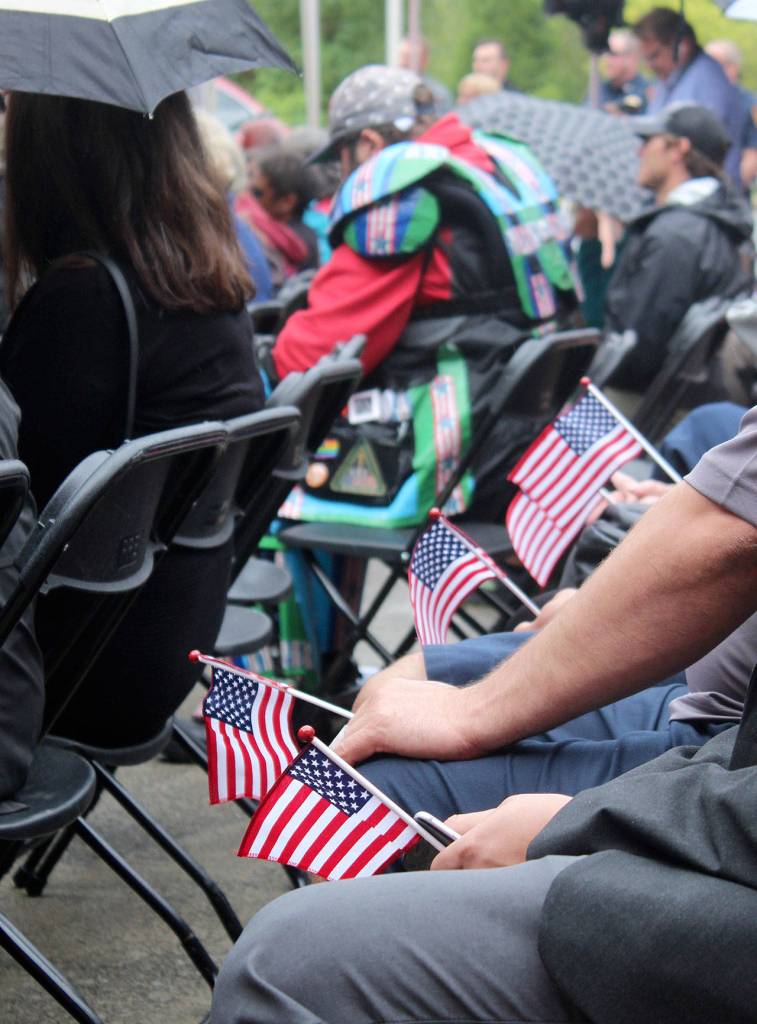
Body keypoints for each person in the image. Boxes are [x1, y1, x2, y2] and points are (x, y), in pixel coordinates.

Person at [211, 406, 757, 1024]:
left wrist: (585, 821)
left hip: (727, 805)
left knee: (288, 960)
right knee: (388, 757)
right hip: (719, 735)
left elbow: (726, 538)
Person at [0, 91, 264, 748]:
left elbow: (16, 512)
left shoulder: (84, 299)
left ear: (53, 150)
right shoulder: (208, 282)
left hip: (74, 669)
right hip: (169, 636)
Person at [270, 64, 577, 523]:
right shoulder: (505, 164)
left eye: (343, 156)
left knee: (265, 446)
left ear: (370, 145)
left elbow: (315, 355)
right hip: (535, 441)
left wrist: (264, 353)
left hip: (448, 459)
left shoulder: (405, 187)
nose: (342, 173)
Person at [604, 103, 753, 391]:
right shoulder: (721, 222)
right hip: (683, 397)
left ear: (678, 150)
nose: (640, 152)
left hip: (644, 403)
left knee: (556, 426)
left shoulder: (675, 236)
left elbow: (634, 354)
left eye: (649, 141)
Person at [633, 7, 743, 183]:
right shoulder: (669, 80)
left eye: (654, 56)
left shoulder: (708, 82)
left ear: (682, 46)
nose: (649, 66)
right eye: (645, 58)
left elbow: (703, 152)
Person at [705, 38, 757, 193]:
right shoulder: (704, 98)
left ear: (733, 68)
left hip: (731, 191)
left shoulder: (750, 104)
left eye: (715, 66)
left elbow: (752, 154)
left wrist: (731, 191)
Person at [592, 28, 647, 114]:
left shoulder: (647, 93)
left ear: (632, 58)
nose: (607, 60)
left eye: (613, 54)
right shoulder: (598, 91)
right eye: (605, 53)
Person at [396, 35, 452, 116]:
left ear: (424, 60)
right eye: (402, 56)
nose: (403, 62)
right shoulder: (388, 91)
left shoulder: (438, 93)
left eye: (409, 57)